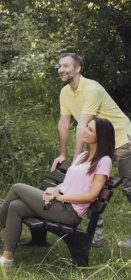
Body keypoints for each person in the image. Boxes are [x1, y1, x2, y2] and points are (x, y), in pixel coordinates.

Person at [0, 117, 115, 268]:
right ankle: (7, 259)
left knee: (17, 187)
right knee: (16, 206)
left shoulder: (104, 161)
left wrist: (62, 198)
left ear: (101, 136)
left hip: (70, 212)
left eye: (90, 129)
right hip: (59, 204)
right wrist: (55, 189)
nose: (84, 130)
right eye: (87, 127)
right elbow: (70, 182)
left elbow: (92, 195)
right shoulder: (83, 156)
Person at [52, 52, 131, 247]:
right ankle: (96, 236)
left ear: (78, 69)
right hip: (100, 142)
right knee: (86, 182)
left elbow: (82, 125)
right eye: (60, 66)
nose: (61, 69)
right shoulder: (65, 92)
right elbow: (64, 124)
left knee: (129, 187)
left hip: (122, 139)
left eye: (66, 66)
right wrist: (63, 154)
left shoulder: (92, 89)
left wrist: (76, 158)